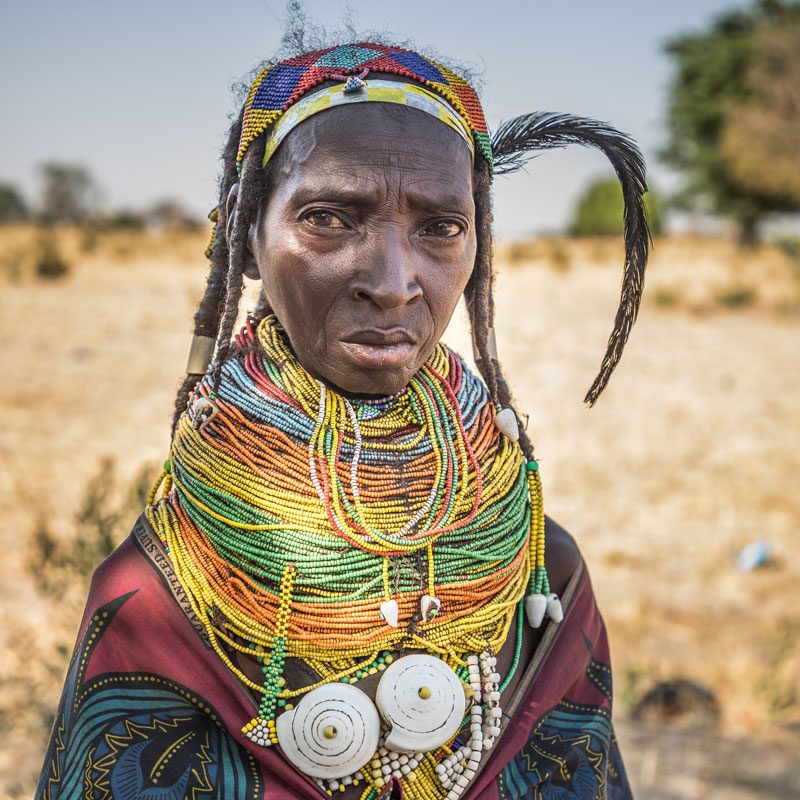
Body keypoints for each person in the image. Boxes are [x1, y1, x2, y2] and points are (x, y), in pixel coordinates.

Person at [36, 36, 649, 800]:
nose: (392, 282)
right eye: (328, 218)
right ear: (246, 236)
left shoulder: (540, 573)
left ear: (479, 245)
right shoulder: (165, 595)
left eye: (441, 227)